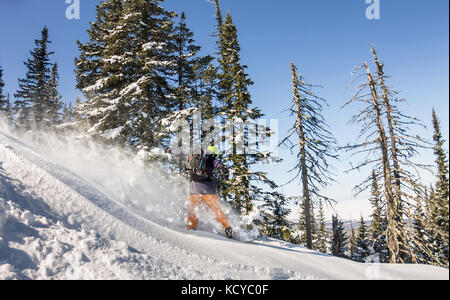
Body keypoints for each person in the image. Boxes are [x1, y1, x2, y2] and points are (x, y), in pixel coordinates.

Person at [186, 145, 233, 239]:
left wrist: (168, 150)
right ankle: (226, 227)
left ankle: (191, 227)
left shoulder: (191, 157)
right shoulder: (212, 159)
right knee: (216, 210)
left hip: (194, 188)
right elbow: (219, 165)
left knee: (193, 209)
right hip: (208, 188)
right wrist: (223, 170)